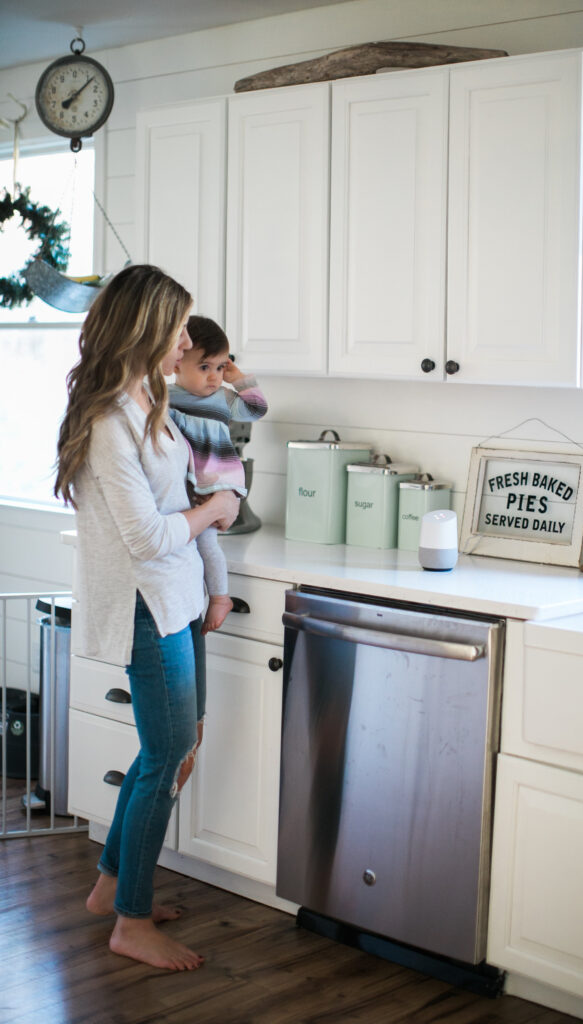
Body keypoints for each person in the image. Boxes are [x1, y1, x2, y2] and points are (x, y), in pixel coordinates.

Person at [54, 264, 239, 972]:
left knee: (170, 748)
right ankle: (131, 922)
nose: (187, 339)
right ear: (145, 328)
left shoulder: (149, 396)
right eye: (178, 326)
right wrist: (214, 511)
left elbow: (182, 503)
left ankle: (112, 887)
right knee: (168, 758)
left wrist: (208, 551)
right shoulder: (107, 419)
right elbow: (148, 537)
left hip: (178, 598)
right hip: (145, 607)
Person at [168, 315, 267, 630]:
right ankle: (194, 600)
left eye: (220, 367)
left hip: (217, 483)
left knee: (207, 545)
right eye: (204, 367)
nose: (214, 377)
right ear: (177, 363)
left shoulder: (223, 399)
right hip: (184, 486)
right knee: (187, 548)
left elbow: (256, 410)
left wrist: (239, 378)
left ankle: (220, 597)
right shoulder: (164, 397)